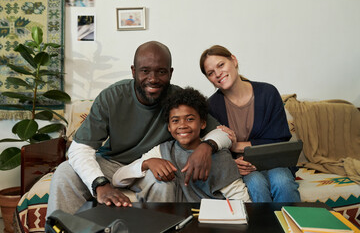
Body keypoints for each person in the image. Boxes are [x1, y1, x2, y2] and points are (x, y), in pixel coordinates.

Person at [46, 41, 231, 217]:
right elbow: (80, 149)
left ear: (170, 73)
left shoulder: (178, 99)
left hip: (154, 166)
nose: (153, 79)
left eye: (161, 72)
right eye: (145, 71)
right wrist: (100, 184)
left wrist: (206, 147)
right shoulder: (112, 97)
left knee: (164, 184)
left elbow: (222, 132)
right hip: (112, 163)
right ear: (133, 72)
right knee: (64, 173)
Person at [199, 45, 300, 202]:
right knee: (256, 184)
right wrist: (232, 163)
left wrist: (236, 146)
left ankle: (291, 226)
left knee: (282, 182)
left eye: (221, 65)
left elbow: (280, 140)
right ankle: (262, 227)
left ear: (234, 60)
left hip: (273, 160)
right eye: (211, 73)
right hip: (241, 166)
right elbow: (214, 148)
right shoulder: (211, 106)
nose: (218, 74)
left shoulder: (268, 93)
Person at [112, 87, 251, 202]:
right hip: (175, 219)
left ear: (203, 123)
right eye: (175, 121)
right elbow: (117, 179)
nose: (182, 125)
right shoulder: (163, 150)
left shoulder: (220, 155)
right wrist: (147, 163)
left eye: (190, 119)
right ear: (169, 127)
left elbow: (241, 199)